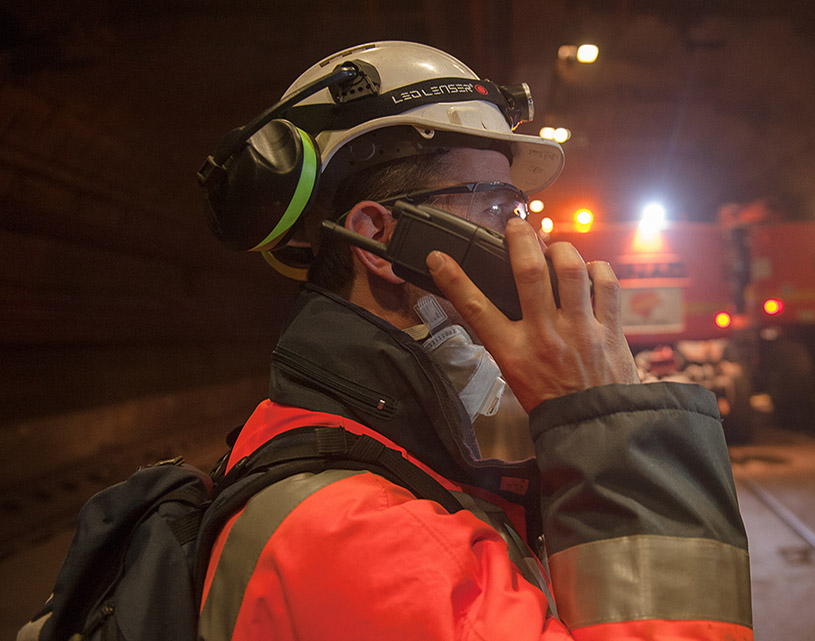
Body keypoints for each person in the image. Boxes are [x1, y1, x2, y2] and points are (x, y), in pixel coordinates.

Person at [197, 41, 752, 640]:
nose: (524, 241)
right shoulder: (357, 534)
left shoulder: (375, 448)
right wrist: (607, 425)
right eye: (497, 207)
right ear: (382, 238)